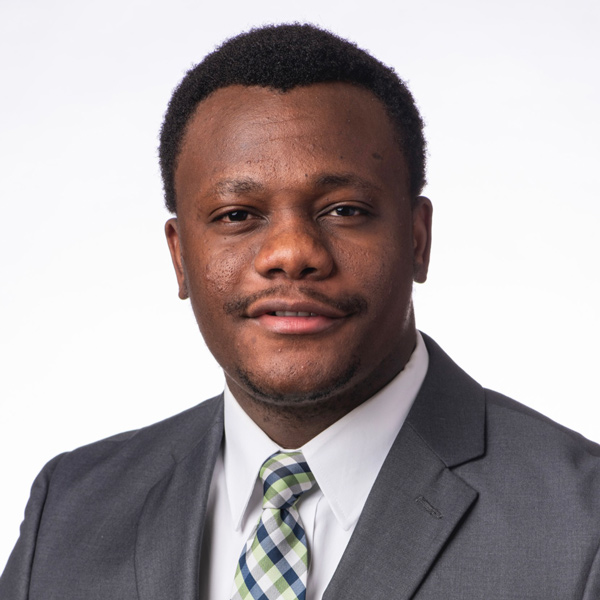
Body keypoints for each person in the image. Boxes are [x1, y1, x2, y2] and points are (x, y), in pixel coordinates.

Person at [2, 23, 600, 600]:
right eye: (237, 215)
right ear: (180, 257)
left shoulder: (582, 527)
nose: (292, 254)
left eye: (344, 210)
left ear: (418, 240)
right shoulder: (69, 510)